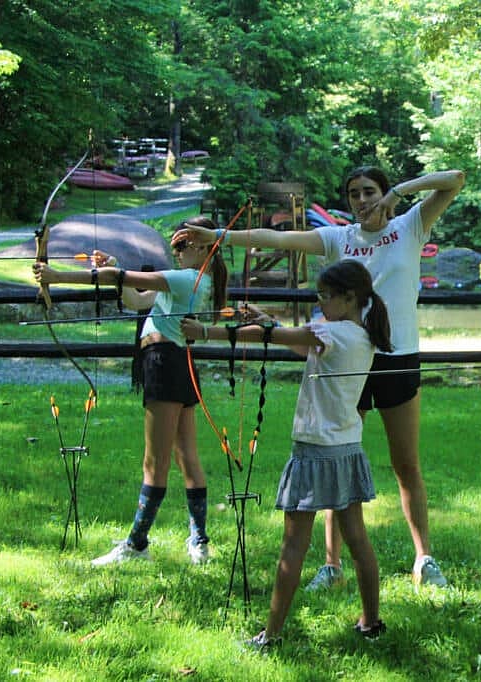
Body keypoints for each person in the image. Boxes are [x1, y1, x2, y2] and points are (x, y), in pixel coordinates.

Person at [173, 166, 465, 588]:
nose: (361, 201)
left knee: (406, 465)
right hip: (348, 361)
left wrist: (398, 193)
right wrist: (220, 236)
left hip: (397, 358)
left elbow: (454, 179)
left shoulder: (410, 225)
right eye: (353, 195)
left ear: (383, 193)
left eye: (369, 192)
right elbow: (274, 239)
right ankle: (332, 566)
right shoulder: (338, 238)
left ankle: (425, 559)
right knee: (336, 458)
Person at [180, 259, 392, 647]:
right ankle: (371, 623)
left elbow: (275, 339)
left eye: (325, 296)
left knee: (294, 546)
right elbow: (296, 342)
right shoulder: (360, 336)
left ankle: (271, 635)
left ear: (349, 298)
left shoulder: (331, 331)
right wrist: (264, 317)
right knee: (358, 540)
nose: (320, 302)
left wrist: (203, 331)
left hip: (314, 452)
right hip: (346, 448)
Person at [33, 216, 228, 566]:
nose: (176, 250)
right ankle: (199, 542)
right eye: (176, 244)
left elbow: (121, 280)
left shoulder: (185, 279)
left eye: (183, 244)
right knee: (187, 457)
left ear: (203, 246)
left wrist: (56, 277)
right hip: (177, 362)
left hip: (164, 364)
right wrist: (116, 268)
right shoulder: (192, 280)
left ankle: (137, 544)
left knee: (155, 462)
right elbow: (137, 300)